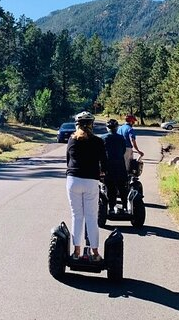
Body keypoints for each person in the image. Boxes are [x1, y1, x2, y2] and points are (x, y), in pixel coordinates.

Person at [66, 111, 106, 261]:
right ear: (92, 125)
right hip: (90, 181)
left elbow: (68, 160)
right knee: (91, 217)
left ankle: (76, 252)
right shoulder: (98, 141)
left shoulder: (72, 140)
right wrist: (102, 173)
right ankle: (95, 253)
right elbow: (104, 162)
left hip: (73, 180)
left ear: (77, 125)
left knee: (76, 216)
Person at [103, 118, 129, 214]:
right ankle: (125, 207)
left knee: (110, 188)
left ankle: (111, 208)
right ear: (117, 128)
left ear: (107, 128)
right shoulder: (121, 138)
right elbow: (123, 151)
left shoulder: (103, 138)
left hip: (108, 167)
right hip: (120, 166)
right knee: (122, 188)